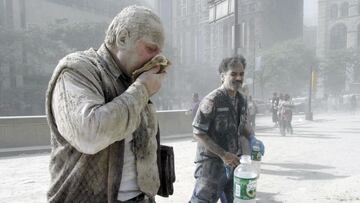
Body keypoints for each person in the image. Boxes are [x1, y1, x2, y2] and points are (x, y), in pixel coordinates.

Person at [45, 6, 167, 203]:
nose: (157, 59)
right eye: (151, 48)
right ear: (122, 38)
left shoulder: (133, 78)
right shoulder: (77, 70)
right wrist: (142, 89)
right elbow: (89, 134)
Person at [189, 56, 252, 203]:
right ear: (223, 76)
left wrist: (252, 139)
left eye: (241, 74)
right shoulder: (212, 100)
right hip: (211, 167)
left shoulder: (242, 100)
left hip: (234, 165)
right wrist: (223, 154)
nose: (238, 78)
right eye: (233, 74)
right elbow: (198, 132)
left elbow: (241, 128)